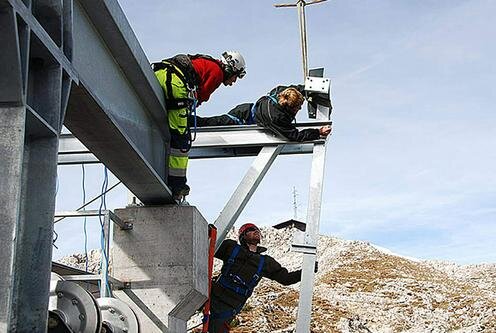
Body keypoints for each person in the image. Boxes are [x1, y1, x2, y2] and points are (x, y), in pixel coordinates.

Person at [153, 51, 246, 200]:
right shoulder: (217, 73)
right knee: (181, 139)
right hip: (175, 83)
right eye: (236, 76)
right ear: (231, 68)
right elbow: (199, 97)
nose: (234, 81)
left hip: (160, 75)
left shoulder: (207, 64)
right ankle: (177, 185)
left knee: (170, 127)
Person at [207, 223, 306, 332]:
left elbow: (286, 279)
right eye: (251, 230)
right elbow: (208, 246)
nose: (256, 231)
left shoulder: (265, 262)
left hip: (229, 305)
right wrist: (207, 232)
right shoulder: (231, 248)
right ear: (243, 236)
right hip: (213, 293)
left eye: (257, 230)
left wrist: (306, 270)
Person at [190, 85, 332, 142]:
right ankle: (189, 121)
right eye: (298, 107)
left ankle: (190, 120)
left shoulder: (282, 91)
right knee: (211, 123)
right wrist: (317, 131)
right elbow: (294, 135)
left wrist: (309, 89)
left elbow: (296, 89)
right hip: (240, 118)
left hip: (245, 108)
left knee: (212, 121)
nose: (299, 109)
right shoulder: (276, 117)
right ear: (289, 108)